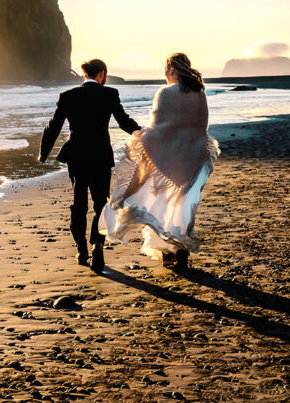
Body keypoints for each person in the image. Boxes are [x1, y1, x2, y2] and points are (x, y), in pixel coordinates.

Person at [101, 53, 219, 270]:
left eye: (166, 71)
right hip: (192, 159)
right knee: (184, 208)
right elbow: (201, 127)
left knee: (160, 206)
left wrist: (140, 136)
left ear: (172, 70)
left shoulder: (165, 93)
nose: (165, 75)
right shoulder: (199, 92)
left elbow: (158, 130)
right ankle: (181, 250)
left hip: (166, 159)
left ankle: (166, 252)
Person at [39, 58, 141, 273]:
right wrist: (143, 135)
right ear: (102, 74)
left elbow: (53, 127)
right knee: (100, 203)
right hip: (101, 155)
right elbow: (123, 121)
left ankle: (81, 249)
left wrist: (43, 154)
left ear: (85, 74)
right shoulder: (110, 94)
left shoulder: (68, 96)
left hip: (76, 156)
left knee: (78, 204)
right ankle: (98, 245)